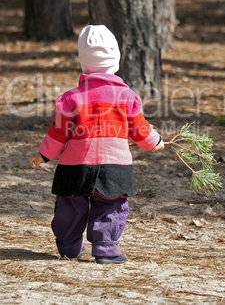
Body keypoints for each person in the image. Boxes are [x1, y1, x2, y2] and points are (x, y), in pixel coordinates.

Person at [30, 25, 164, 264]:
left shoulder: (69, 99)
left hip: (75, 166)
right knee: (110, 206)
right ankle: (106, 248)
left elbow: (59, 133)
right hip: (114, 167)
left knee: (70, 206)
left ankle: (69, 247)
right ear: (116, 60)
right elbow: (140, 129)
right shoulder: (128, 97)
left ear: (83, 62)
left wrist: (44, 154)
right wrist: (155, 142)